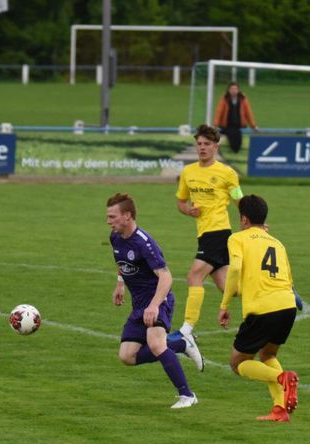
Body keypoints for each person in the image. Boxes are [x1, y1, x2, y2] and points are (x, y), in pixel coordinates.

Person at [107, 192, 203, 409]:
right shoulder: (115, 237)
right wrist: (120, 283)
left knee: (156, 344)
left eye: (112, 217)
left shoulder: (145, 243)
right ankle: (180, 343)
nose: (108, 221)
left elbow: (166, 276)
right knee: (127, 356)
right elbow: (121, 261)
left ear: (127, 216)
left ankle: (187, 395)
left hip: (159, 300)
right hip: (139, 304)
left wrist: (154, 305)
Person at [217, 194, 299, 422]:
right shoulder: (277, 243)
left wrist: (225, 304)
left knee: (238, 363)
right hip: (287, 305)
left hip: (263, 309)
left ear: (244, 219)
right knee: (268, 353)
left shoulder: (237, 238)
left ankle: (282, 377)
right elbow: (288, 279)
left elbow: (234, 269)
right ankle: (280, 409)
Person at [171, 124, 243, 341]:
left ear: (215, 146)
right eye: (199, 144)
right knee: (229, 288)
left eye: (207, 144)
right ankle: (280, 290)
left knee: (194, 275)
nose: (202, 147)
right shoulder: (188, 172)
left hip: (219, 231)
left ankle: (186, 330)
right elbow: (181, 202)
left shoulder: (227, 173)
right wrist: (188, 210)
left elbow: (239, 200)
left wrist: (254, 223)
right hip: (204, 234)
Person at [213, 82, 257, 153]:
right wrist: (216, 125)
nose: (233, 91)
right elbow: (219, 111)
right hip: (227, 125)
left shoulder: (243, 98)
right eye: (232, 89)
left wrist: (253, 126)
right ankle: (233, 149)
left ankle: (236, 149)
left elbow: (248, 113)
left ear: (238, 90)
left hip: (238, 125)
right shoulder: (224, 98)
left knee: (237, 137)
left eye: (235, 89)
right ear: (228, 90)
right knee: (231, 135)